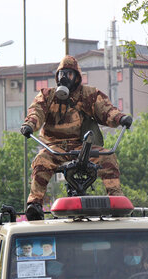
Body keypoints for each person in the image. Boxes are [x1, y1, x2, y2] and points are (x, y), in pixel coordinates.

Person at [20, 55, 133, 221]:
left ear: (77, 77)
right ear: (57, 77)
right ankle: (35, 204)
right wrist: (30, 125)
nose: (65, 78)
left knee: (108, 156)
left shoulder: (90, 95)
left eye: (69, 75)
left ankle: (115, 198)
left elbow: (106, 110)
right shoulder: (47, 95)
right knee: (41, 161)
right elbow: (36, 112)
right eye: (61, 75)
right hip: (55, 147)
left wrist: (120, 118)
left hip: (82, 147)